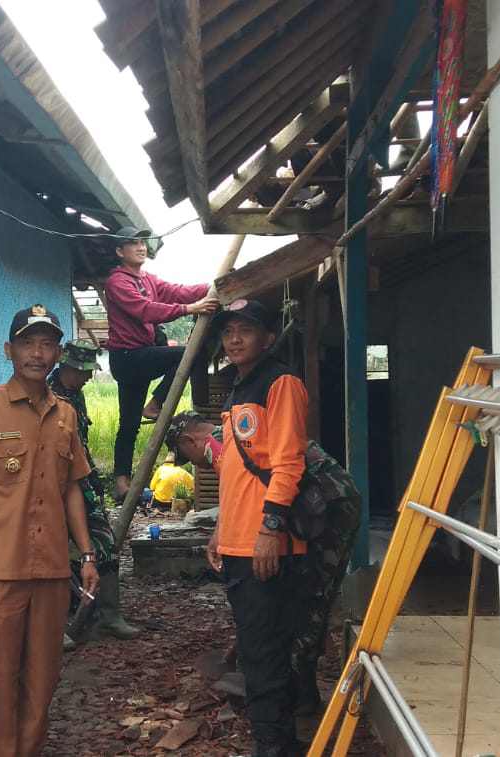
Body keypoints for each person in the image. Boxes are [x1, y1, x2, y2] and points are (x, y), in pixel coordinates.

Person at [0, 304, 102, 757]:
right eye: (29, 342)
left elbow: (73, 490)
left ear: (57, 353)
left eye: (48, 343)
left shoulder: (66, 415)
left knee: (42, 683)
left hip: (51, 571)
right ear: (9, 349)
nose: (38, 352)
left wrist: (86, 555)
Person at [166, 410, 361, 716]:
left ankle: (300, 697)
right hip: (316, 506)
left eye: (186, 455)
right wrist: (220, 533)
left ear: (190, 440)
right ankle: (295, 688)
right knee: (296, 597)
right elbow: (237, 495)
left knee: (310, 598)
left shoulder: (218, 446)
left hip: (330, 508)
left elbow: (258, 498)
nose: (194, 464)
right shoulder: (232, 435)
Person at [206, 298, 309, 756]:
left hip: (265, 543)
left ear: (268, 337)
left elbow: (289, 461)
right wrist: (220, 529)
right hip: (238, 541)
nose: (234, 338)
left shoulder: (280, 382)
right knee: (258, 649)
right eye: (228, 331)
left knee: (264, 654)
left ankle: (274, 747)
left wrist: (270, 528)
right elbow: (237, 470)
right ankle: (279, 740)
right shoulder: (238, 387)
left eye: (246, 330)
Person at [101, 227, 218, 500]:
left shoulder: (148, 279)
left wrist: (213, 287)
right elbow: (144, 309)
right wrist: (189, 309)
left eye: (142, 242)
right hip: (128, 358)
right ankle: (156, 406)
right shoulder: (118, 282)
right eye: (133, 244)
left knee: (128, 424)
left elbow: (178, 291)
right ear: (120, 252)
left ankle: (121, 481)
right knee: (187, 354)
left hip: (142, 355)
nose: (140, 247)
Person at [47, 338, 142, 647]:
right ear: (66, 366)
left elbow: (80, 445)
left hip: (82, 485)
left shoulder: (76, 395)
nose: (88, 377)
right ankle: (55, 626)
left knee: (105, 543)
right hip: (51, 488)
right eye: (83, 371)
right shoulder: (46, 396)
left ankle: (109, 617)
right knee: (53, 553)